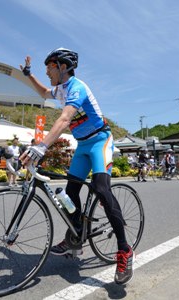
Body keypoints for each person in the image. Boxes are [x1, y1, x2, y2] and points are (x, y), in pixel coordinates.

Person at [19, 48, 134, 285]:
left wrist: (41, 146)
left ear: (62, 66)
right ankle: (76, 237)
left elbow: (64, 120)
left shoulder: (77, 87)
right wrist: (29, 74)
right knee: (69, 195)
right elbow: (42, 92)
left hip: (100, 140)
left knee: (102, 189)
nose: (47, 71)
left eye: (49, 67)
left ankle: (125, 251)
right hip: (82, 145)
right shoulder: (60, 89)